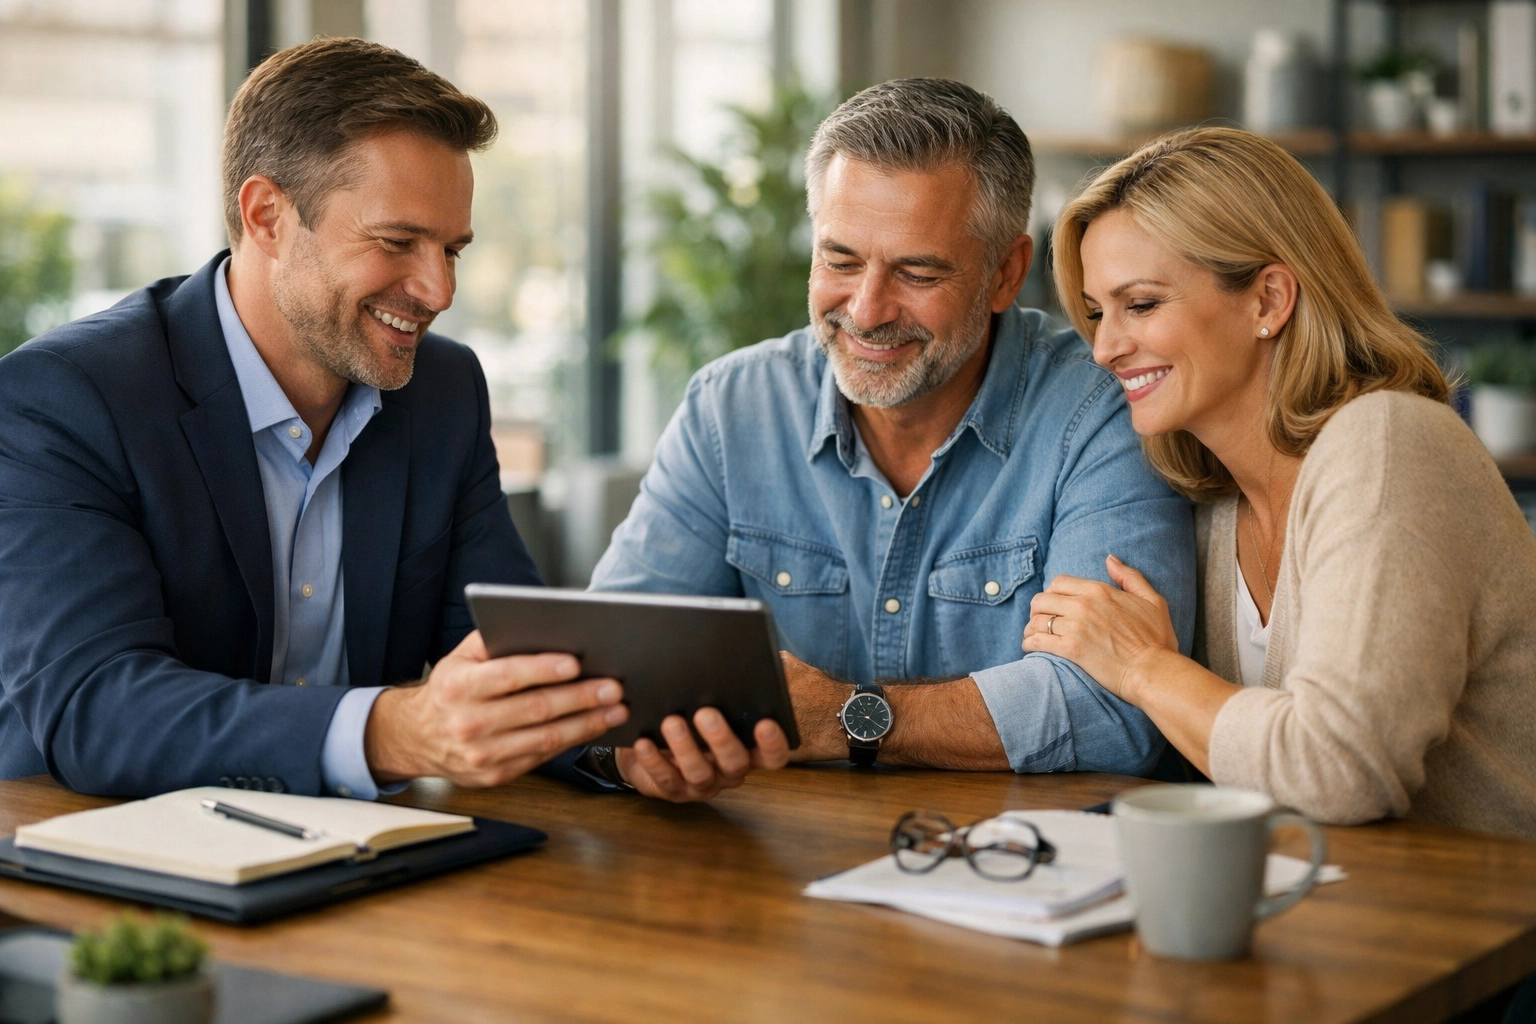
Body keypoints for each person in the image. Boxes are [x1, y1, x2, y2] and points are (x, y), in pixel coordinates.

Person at [0, 38, 787, 802]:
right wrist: (392, 733)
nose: (439, 291)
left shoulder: (443, 391)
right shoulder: (67, 398)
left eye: (453, 250)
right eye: (398, 241)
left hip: (361, 855)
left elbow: (509, 656)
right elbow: (96, 706)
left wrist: (623, 750)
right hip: (96, 847)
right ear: (267, 216)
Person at [587, 78, 1195, 790]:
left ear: (1006, 274)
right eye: (840, 261)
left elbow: (1115, 711)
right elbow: (608, 669)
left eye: (916, 272)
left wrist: (838, 717)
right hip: (774, 846)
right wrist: (631, 755)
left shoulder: (1101, 413)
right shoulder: (732, 408)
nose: (867, 311)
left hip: (1012, 850)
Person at [1025, 126, 1536, 838]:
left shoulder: (1388, 444)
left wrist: (1144, 668)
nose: (1105, 348)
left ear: (1268, 300)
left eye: (1140, 305)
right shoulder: (1216, 504)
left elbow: (1341, 771)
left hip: (1485, 905)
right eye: (1094, 313)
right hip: (1327, 897)